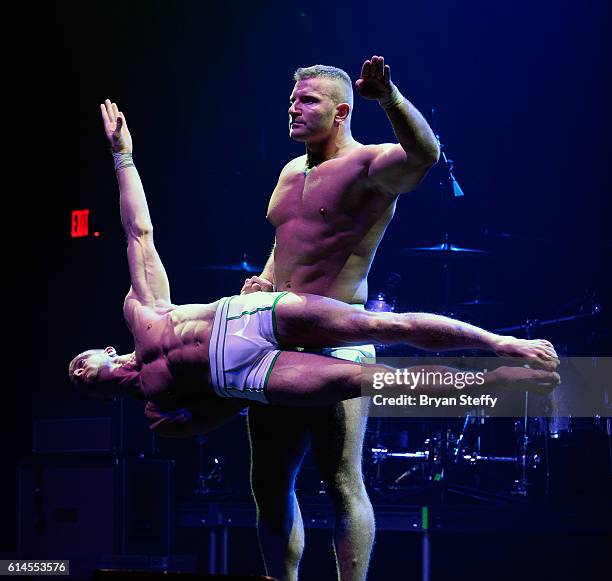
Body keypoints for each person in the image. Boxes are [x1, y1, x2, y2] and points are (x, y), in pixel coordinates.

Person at [70, 98, 559, 579]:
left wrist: (123, 157)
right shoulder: (157, 410)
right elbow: (218, 404)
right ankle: (492, 384)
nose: (292, 109)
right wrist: (260, 289)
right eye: (78, 380)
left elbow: (138, 232)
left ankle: (500, 345)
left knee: (376, 360)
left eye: (305, 100)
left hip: (261, 320)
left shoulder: (141, 311)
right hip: (251, 372)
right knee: (300, 454)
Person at [235, 55, 446, 581]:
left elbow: (426, 155)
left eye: (308, 101)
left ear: (342, 112)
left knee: (341, 481)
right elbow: (284, 246)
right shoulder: (290, 171)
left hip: (336, 338)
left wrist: (391, 99)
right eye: (292, 100)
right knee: (268, 483)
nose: (294, 109)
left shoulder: (369, 166)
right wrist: (263, 279)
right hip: (275, 338)